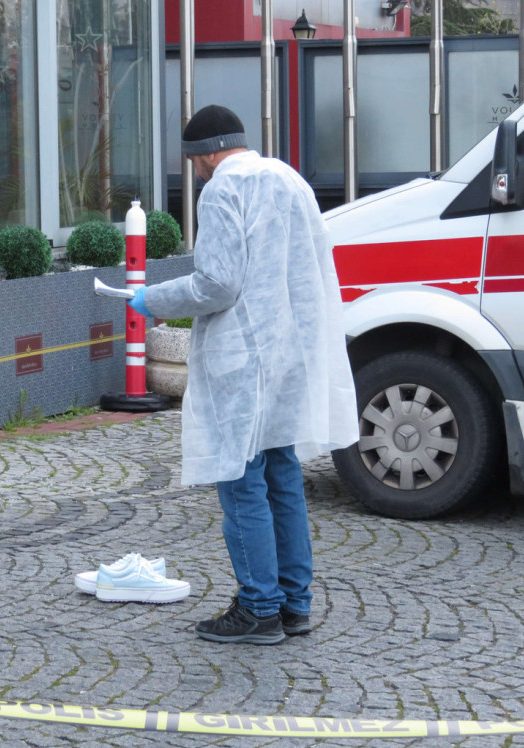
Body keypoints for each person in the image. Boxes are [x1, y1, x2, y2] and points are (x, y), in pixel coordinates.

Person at [128, 104, 358, 645]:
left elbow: (217, 285)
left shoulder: (223, 190)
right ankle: (294, 604)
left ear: (205, 154)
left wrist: (151, 297)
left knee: (241, 481)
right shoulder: (290, 179)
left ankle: (258, 607)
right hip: (292, 350)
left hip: (244, 358)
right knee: (283, 478)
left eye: (194, 161)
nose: (196, 170)